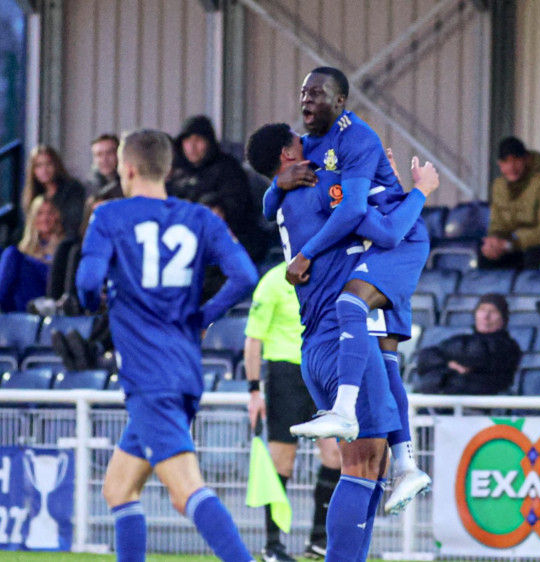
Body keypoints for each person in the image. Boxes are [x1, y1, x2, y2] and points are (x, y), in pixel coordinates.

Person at [248, 117, 441, 559]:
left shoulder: (285, 199)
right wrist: (418, 192)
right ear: (288, 155)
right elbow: (385, 228)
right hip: (344, 341)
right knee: (361, 466)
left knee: (367, 466)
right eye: (305, 143)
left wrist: (277, 184)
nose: (317, 147)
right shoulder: (320, 189)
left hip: (318, 344)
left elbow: (276, 200)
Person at [76, 129, 258, 562]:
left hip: (148, 373)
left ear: (128, 169)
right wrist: (203, 316)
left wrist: (95, 303)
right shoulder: (201, 218)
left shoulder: (110, 216)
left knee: (186, 492)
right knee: (118, 487)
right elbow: (245, 276)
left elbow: (85, 284)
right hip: (182, 366)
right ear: (169, 169)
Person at [243, 261, 341, 561]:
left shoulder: (326, 276)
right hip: (284, 376)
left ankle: (318, 541)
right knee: (282, 463)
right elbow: (253, 339)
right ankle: (273, 546)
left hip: (320, 373)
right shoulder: (273, 281)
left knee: (334, 457)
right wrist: (254, 390)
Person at [168, 115, 268, 264]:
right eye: (187, 140)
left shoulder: (228, 169)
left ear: (209, 142)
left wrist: (215, 207)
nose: (192, 146)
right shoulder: (176, 174)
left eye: (198, 140)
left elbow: (237, 207)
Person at [480, 136, 540, 269]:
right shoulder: (499, 186)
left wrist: (511, 242)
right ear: (500, 164)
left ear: (527, 159)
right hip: (511, 244)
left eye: (516, 160)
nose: (511, 167)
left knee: (531, 257)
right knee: (484, 256)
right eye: (505, 162)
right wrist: (494, 241)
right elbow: (497, 223)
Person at [412, 293, 521, 395]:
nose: (486, 316)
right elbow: (425, 357)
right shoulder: (463, 340)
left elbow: (478, 356)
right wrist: (451, 364)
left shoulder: (507, 346)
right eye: (482, 310)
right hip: (445, 402)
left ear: (503, 318)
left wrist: (446, 364)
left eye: (493, 311)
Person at [21, 144, 86, 239]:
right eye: (38, 166)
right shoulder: (33, 194)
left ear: (56, 165)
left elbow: (73, 225)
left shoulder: (72, 189)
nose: (44, 170)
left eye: (48, 164)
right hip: (36, 243)